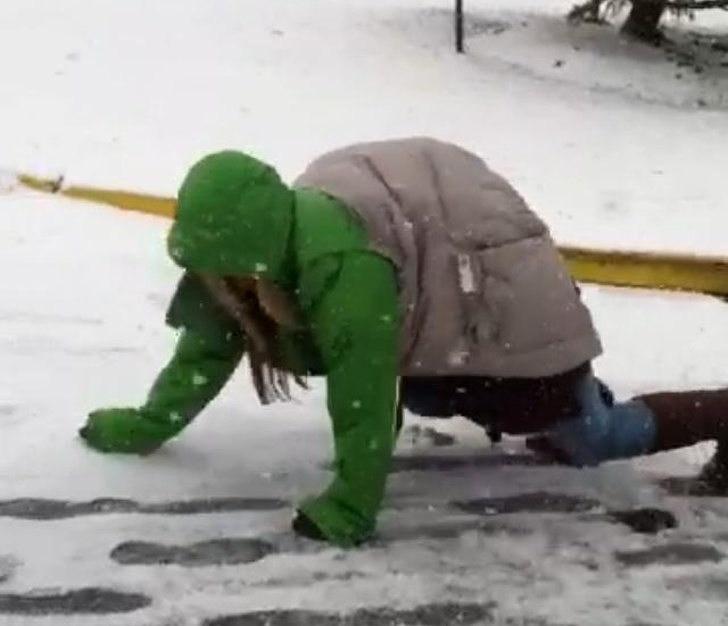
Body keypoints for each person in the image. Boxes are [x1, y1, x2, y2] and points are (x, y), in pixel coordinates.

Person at [78, 137, 728, 548]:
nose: (218, 285)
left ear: (255, 243)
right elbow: (206, 349)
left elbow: (366, 397)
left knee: (589, 439)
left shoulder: (341, 265)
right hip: (450, 319)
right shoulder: (254, 263)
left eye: (226, 269)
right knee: (442, 394)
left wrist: (349, 509)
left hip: (508, 322)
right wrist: (142, 426)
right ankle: (572, 397)